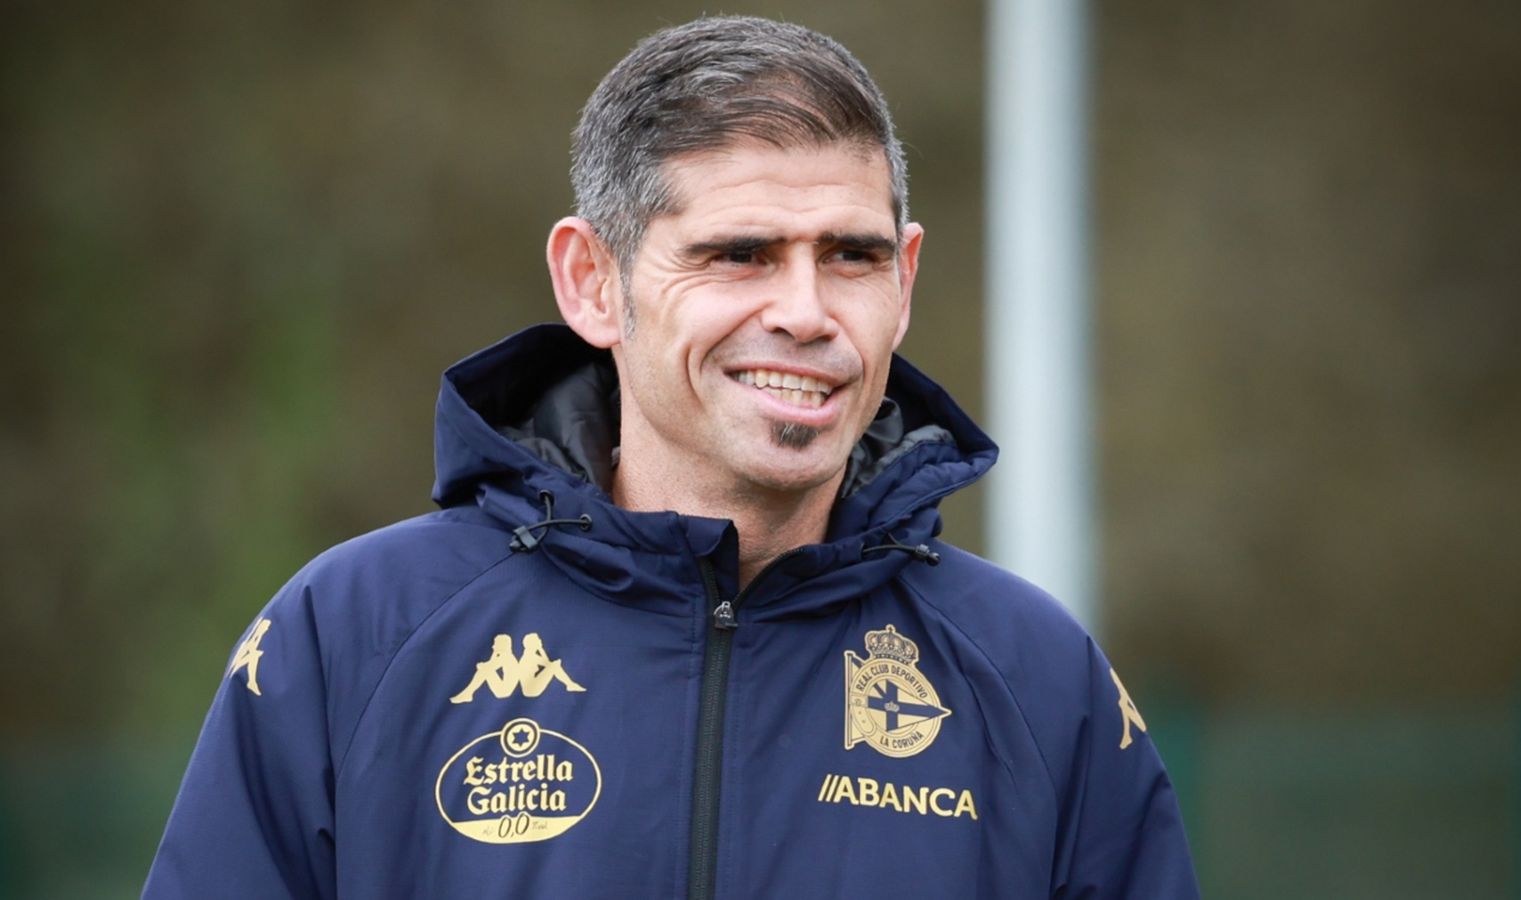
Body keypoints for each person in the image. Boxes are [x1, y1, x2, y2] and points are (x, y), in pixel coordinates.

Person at [144, 15, 1199, 899]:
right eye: (738, 254)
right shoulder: (353, 639)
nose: (805, 312)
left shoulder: (1035, 679)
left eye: (851, 257)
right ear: (592, 282)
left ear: (905, 281)